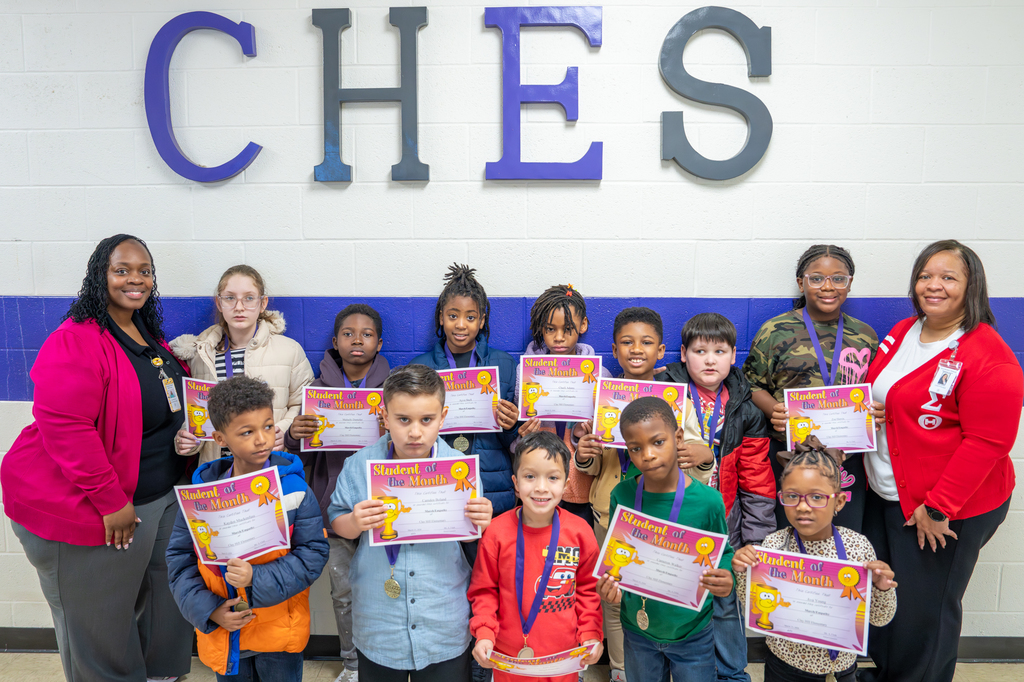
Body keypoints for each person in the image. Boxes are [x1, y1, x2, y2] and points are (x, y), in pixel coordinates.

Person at [1, 234, 194, 682]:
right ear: (99, 276)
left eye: (144, 270)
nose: (136, 279)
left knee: (162, 602)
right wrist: (111, 501)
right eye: (121, 269)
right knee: (100, 624)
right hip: (94, 503)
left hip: (160, 494)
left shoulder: (144, 331)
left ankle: (158, 675)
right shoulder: (76, 340)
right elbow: (66, 427)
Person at [860, 240, 1022, 682]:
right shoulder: (904, 330)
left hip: (943, 506)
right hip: (890, 493)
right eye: (926, 275)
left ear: (971, 287)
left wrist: (937, 508)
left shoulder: (989, 357)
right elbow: (895, 397)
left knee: (925, 614)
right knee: (890, 599)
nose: (933, 286)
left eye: (948, 277)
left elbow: (988, 443)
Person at [328, 364, 494, 681]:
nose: (415, 432)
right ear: (384, 415)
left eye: (426, 420)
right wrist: (354, 520)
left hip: (442, 620)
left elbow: (471, 539)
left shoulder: (461, 470)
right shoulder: (359, 465)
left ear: (443, 417)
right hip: (380, 622)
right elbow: (338, 522)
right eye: (403, 419)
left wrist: (483, 525)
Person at [573, 307, 708, 682]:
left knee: (662, 588)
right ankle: (621, 669)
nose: (637, 349)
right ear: (614, 352)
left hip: (667, 519)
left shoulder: (678, 401)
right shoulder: (603, 399)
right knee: (614, 597)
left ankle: (663, 663)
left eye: (646, 342)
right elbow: (594, 466)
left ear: (661, 350)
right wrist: (584, 456)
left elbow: (696, 454)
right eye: (627, 343)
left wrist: (706, 456)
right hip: (610, 516)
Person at [166, 376, 329, 680]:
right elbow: (180, 561)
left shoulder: (294, 490)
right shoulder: (200, 496)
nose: (262, 440)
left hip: (280, 635)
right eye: (247, 432)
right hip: (226, 633)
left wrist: (257, 578)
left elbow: (313, 555)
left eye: (268, 426)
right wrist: (210, 611)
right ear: (220, 439)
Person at [655, 313, 775, 682]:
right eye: (700, 350)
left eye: (719, 351)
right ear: (683, 354)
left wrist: (754, 540)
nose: (710, 360)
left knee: (724, 604)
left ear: (733, 356)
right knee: (672, 596)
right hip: (671, 525)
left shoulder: (747, 409)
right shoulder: (663, 394)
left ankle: (733, 673)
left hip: (724, 528)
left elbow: (756, 480)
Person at [283, 303, 390, 682]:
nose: (357, 340)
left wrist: (389, 427)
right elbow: (296, 453)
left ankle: (383, 660)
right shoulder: (316, 389)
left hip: (384, 507)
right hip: (334, 508)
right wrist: (294, 435)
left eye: (366, 334)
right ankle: (351, 663)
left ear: (379, 343)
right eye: (348, 333)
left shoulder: (393, 389)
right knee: (343, 593)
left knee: (383, 589)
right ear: (334, 342)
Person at [595, 397, 735, 682]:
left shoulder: (708, 501)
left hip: (692, 631)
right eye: (635, 448)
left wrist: (727, 578)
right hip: (637, 630)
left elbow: (725, 554)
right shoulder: (621, 495)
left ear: (678, 437)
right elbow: (617, 557)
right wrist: (608, 586)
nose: (647, 455)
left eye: (658, 442)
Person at [744, 244, 881, 533]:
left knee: (843, 534)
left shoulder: (866, 335)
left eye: (838, 278)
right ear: (801, 283)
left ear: (850, 283)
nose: (828, 286)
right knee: (790, 536)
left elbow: (873, 388)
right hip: (788, 453)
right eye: (816, 278)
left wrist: (875, 412)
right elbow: (751, 384)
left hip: (846, 457)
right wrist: (774, 410)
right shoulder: (774, 330)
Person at [733, 442, 897, 682]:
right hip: (784, 667)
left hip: (839, 671)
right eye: (792, 496)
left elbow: (880, 618)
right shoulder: (772, 546)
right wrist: (742, 573)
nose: (802, 507)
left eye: (817, 497)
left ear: (839, 502)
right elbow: (757, 609)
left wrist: (882, 589)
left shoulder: (858, 547)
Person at [469, 431, 604, 681]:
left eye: (552, 478)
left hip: (565, 659)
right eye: (530, 476)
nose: (541, 487)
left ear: (565, 485)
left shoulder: (580, 533)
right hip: (509, 661)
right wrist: (485, 633)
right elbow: (484, 590)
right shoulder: (496, 533)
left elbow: (588, 590)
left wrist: (591, 635)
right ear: (516, 484)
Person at [171, 264, 314, 463]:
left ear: (262, 303)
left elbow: (303, 404)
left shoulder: (289, 350)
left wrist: (284, 429)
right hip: (219, 467)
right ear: (219, 303)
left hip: (269, 463)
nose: (239, 307)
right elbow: (197, 413)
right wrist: (187, 441)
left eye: (249, 298)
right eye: (230, 298)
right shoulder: (202, 355)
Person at [411, 264, 519, 519]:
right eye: (452, 316)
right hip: (438, 483)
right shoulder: (420, 368)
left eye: (470, 317)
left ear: (482, 321)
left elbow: (509, 441)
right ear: (441, 317)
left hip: (492, 486)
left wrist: (511, 425)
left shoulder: (503, 364)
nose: (461, 325)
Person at [513, 284, 602, 526]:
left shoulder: (599, 374)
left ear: (583, 325)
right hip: (538, 479)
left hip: (579, 481)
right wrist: (522, 433)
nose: (559, 337)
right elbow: (519, 428)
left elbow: (604, 434)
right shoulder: (525, 373)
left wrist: (581, 433)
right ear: (541, 328)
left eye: (568, 328)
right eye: (550, 329)